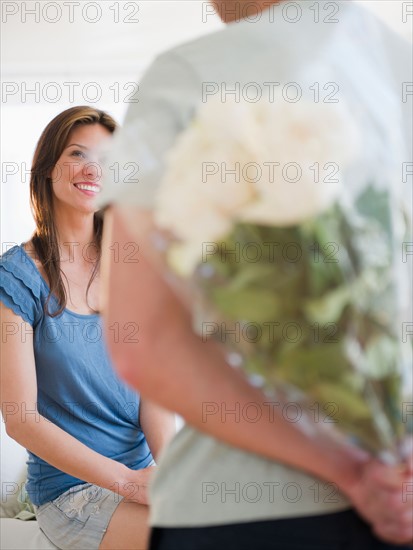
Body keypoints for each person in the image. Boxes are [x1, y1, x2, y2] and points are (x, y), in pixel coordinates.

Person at [96, 1, 413, 548]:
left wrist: (350, 470)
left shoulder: (198, 74)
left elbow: (141, 342)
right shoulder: (396, 66)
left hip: (245, 510)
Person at [0, 106, 175, 550]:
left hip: (141, 475)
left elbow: (151, 395)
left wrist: (169, 475)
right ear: (48, 168)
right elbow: (20, 420)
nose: (93, 168)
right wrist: (131, 485)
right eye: (78, 154)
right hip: (72, 491)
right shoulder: (16, 277)